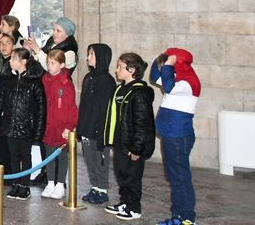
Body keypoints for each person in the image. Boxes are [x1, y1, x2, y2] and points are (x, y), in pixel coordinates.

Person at [151, 48, 201, 225]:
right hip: (170, 135)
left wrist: (170, 63)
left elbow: (169, 87)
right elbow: (154, 76)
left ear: (177, 64)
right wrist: (162, 58)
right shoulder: (176, 80)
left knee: (180, 178)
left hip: (179, 137)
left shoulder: (188, 83)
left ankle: (186, 218)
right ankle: (178, 216)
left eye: (171, 65)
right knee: (175, 177)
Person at [104, 52, 156, 221]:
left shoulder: (139, 93)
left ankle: (134, 207)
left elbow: (142, 124)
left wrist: (137, 148)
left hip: (132, 145)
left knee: (132, 177)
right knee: (121, 174)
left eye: (120, 67)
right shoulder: (120, 89)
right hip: (120, 142)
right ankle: (124, 202)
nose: (117, 70)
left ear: (132, 70)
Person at [0, 48, 46, 201]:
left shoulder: (34, 82)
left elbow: (41, 108)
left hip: (26, 126)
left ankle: (25, 185)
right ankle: (16, 184)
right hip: (9, 125)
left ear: (23, 62)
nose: (10, 61)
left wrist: (38, 131)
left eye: (13, 59)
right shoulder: (7, 79)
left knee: (25, 156)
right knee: (13, 156)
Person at [77, 43, 116, 205]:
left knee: (100, 159)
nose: (88, 58)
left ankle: (102, 189)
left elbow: (105, 109)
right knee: (90, 159)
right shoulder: (89, 77)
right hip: (87, 127)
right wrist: (81, 127)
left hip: (99, 129)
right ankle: (95, 187)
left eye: (91, 54)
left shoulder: (107, 81)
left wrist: (102, 132)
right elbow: (84, 104)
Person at [41, 49, 78, 200]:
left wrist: (69, 126)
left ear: (62, 64)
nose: (49, 66)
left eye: (53, 63)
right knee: (49, 155)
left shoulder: (66, 84)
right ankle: (50, 182)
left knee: (62, 156)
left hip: (62, 127)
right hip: (49, 125)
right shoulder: (46, 80)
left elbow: (72, 108)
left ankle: (60, 183)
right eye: (48, 63)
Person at [0, 33, 16, 173]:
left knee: (10, 143)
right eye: (1, 43)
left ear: (13, 45)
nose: (4, 46)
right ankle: (1, 168)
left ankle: (12, 171)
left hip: (11, 107)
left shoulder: (18, 61)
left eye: (7, 43)